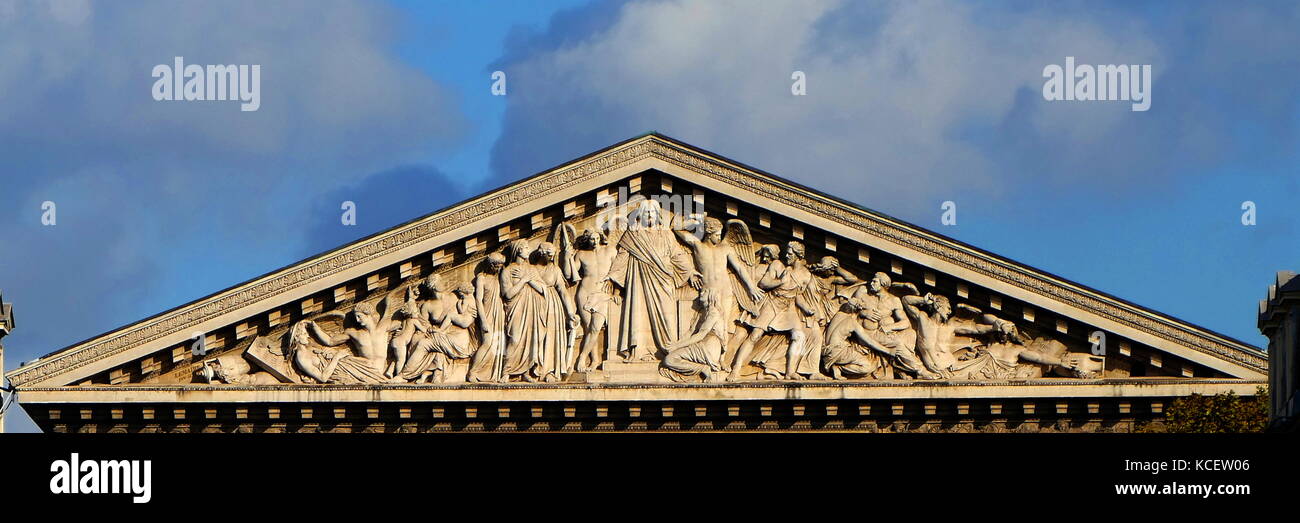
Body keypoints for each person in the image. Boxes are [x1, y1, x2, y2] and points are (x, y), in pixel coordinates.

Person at [607, 199, 693, 361]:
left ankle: (668, 349)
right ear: (640, 215)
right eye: (646, 212)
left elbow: (678, 256)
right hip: (639, 279)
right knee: (639, 315)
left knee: (667, 318)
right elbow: (622, 256)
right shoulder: (632, 235)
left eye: (652, 212)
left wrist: (691, 272)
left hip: (664, 281)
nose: (650, 215)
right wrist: (611, 275)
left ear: (658, 215)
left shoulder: (667, 234)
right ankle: (639, 351)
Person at [659, 290, 727, 382]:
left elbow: (700, 335)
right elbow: (691, 332)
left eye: (705, 291)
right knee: (670, 358)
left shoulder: (713, 313)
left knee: (669, 360)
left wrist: (677, 346)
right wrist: (675, 345)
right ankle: (702, 368)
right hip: (701, 345)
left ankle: (703, 369)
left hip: (708, 348)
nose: (701, 292)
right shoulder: (702, 312)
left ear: (711, 296)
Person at [468, 253, 508, 382]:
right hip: (487, 313)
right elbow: (478, 300)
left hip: (499, 312)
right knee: (487, 343)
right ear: (491, 265)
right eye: (497, 266)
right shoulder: (481, 278)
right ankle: (473, 372)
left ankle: (494, 374)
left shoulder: (500, 278)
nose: (499, 269)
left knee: (498, 343)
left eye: (501, 266)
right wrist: (483, 321)